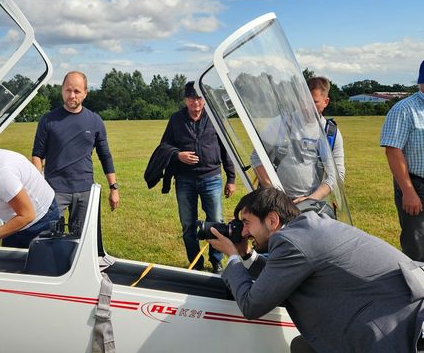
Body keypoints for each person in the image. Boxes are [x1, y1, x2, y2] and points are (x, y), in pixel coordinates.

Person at [209, 187, 424, 353]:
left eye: (247, 223)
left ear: (272, 220)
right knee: (303, 347)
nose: (244, 232)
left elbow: (251, 304)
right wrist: (246, 256)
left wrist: (233, 257)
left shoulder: (290, 241)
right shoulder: (304, 230)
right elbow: (280, 277)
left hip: (399, 332)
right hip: (399, 313)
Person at [160, 81, 236, 273]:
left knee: (216, 222)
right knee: (188, 224)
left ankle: (216, 261)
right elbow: (164, 145)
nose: (196, 102)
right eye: (192, 98)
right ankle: (196, 263)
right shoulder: (176, 120)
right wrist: (178, 155)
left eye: (199, 98)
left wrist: (231, 178)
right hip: (185, 180)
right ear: (186, 100)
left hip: (212, 178)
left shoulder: (214, 118)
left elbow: (226, 148)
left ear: (204, 99)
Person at [32, 71, 119, 235]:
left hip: (85, 189)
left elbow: (105, 156)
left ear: (85, 93)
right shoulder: (48, 120)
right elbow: (37, 155)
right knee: (50, 237)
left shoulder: (95, 121)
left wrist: (113, 188)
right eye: (68, 90)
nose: (72, 95)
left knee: (82, 238)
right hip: (54, 190)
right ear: (62, 90)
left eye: (77, 91)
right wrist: (39, 186)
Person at [380, 60, 424, 262]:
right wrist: (408, 192)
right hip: (415, 185)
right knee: (416, 245)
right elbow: (393, 151)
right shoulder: (404, 109)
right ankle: (417, 289)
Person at [307, 76, 345, 182]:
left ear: (326, 102)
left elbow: (338, 175)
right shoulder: (282, 124)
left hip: (314, 197)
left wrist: (313, 197)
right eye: (304, 100)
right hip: (277, 197)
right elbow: (258, 159)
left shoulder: (331, 133)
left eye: (314, 102)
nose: (307, 106)